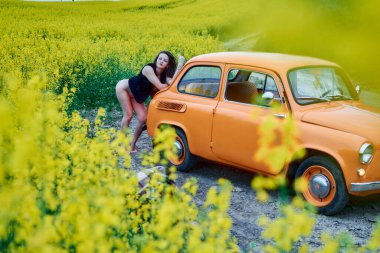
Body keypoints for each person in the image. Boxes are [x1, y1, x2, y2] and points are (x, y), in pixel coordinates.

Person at [116, 51, 186, 153]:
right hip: (124, 88)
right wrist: (168, 84)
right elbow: (162, 87)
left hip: (136, 96)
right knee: (128, 115)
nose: (161, 61)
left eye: (165, 60)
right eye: (160, 58)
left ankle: (132, 144)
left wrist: (180, 65)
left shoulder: (164, 76)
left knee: (143, 118)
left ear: (167, 65)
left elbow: (173, 83)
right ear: (156, 59)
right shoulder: (148, 69)